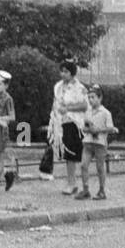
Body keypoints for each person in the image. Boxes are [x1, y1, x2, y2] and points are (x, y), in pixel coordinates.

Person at [48, 60, 89, 195]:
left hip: (74, 123)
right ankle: (71, 182)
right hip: (61, 123)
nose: (63, 74)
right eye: (62, 71)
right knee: (66, 154)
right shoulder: (58, 86)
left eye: (66, 72)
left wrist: (69, 108)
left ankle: (73, 183)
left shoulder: (79, 88)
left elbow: (84, 105)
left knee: (72, 153)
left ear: (72, 73)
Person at [75, 85, 118, 200]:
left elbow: (111, 128)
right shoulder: (87, 112)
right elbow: (83, 127)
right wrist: (88, 129)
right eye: (89, 97)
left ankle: (102, 190)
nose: (90, 100)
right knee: (84, 165)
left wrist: (98, 130)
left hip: (100, 143)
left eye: (93, 97)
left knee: (100, 167)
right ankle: (85, 189)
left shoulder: (105, 113)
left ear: (100, 98)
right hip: (88, 142)